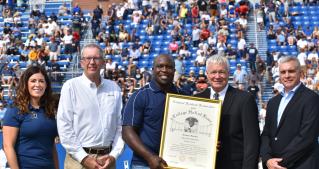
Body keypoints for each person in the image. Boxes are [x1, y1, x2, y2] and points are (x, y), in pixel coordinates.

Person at [57, 44, 124, 169]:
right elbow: (64, 126)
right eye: (88, 58)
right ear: (82, 62)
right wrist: (84, 158)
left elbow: (119, 126)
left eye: (96, 58)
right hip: (77, 162)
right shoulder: (70, 87)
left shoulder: (114, 88)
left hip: (107, 161)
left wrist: (113, 155)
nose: (92, 62)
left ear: (103, 62)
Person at [195, 55, 260, 169]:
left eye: (222, 72)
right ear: (207, 74)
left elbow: (252, 141)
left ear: (229, 73)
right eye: (213, 72)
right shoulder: (197, 99)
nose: (217, 76)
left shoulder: (244, 99)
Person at [122, 54, 184, 169]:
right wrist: (150, 157)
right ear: (153, 69)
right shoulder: (140, 96)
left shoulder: (183, 97)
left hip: (177, 163)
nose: (164, 70)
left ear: (174, 71)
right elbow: (127, 132)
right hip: (144, 163)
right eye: (160, 66)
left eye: (169, 67)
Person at [260, 56, 319, 169]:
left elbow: (306, 137)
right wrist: (267, 159)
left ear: (300, 73)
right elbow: (266, 134)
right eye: (283, 72)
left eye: (291, 71)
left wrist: (279, 163)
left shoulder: (312, 99)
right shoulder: (273, 102)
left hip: (301, 165)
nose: (287, 75)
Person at [2, 65, 59, 169]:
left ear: (46, 85)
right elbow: (8, 146)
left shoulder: (49, 110)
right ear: (26, 84)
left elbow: (51, 146)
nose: (37, 84)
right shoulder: (15, 109)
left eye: (41, 81)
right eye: (33, 81)